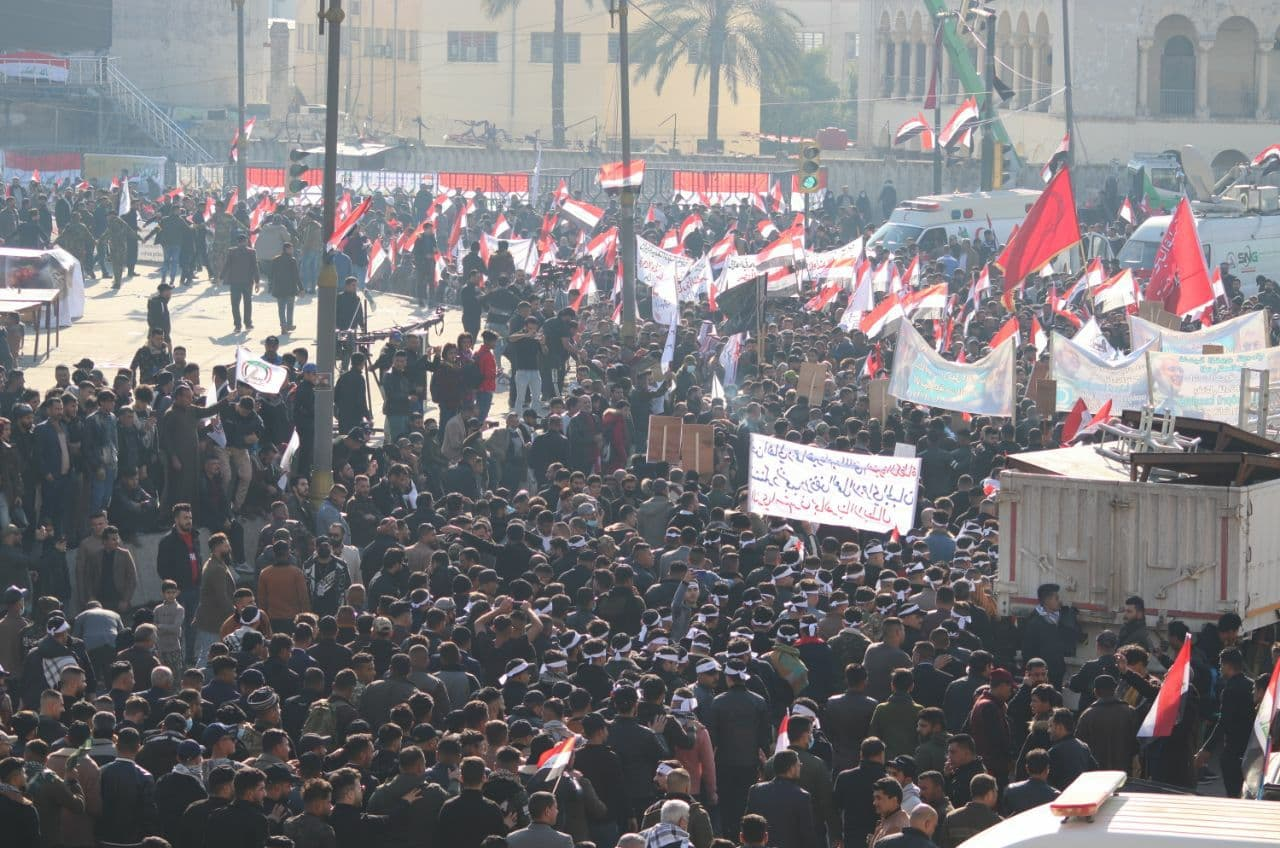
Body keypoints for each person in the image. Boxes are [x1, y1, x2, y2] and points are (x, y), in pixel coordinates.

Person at [1196, 647, 1254, 798]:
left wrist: (1207, 749)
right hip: (1250, 747)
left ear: (1228, 666)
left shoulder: (1230, 689)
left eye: (1221, 665)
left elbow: (1224, 722)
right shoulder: (1251, 685)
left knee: (1233, 794)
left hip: (1233, 750)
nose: (1220, 669)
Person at [222, 233, 260, 332]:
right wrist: (257, 281)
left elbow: (227, 265)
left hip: (235, 282)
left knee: (235, 304)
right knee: (247, 303)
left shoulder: (232, 251)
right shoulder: (252, 252)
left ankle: (237, 326)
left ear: (237, 242)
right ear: (246, 241)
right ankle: (248, 324)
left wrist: (220, 277)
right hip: (247, 282)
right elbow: (255, 267)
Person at [270, 242, 302, 333]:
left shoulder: (275, 260)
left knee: (281, 308)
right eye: (291, 249)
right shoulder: (292, 260)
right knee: (290, 308)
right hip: (290, 288)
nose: (292, 250)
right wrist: (301, 288)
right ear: (287, 249)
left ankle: (283, 326)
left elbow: (271, 274)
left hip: (279, 288)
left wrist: (271, 286)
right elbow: (296, 276)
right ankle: (289, 325)